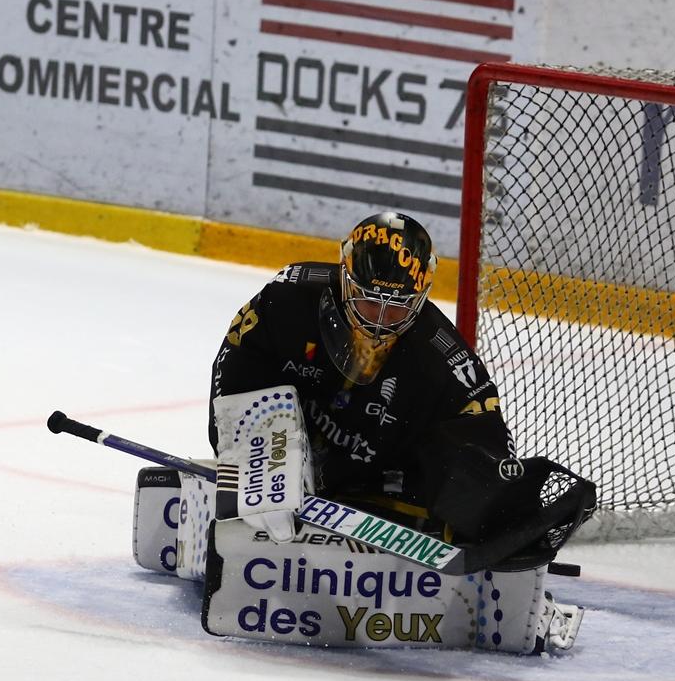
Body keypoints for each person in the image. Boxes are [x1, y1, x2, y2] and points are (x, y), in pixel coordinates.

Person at [208, 209, 593, 569]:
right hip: (284, 462)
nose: (379, 321)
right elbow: (236, 376)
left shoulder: (443, 359)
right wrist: (252, 462)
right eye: (368, 301)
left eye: (397, 306)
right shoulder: (286, 300)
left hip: (376, 485)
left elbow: (481, 437)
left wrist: (499, 514)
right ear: (345, 278)